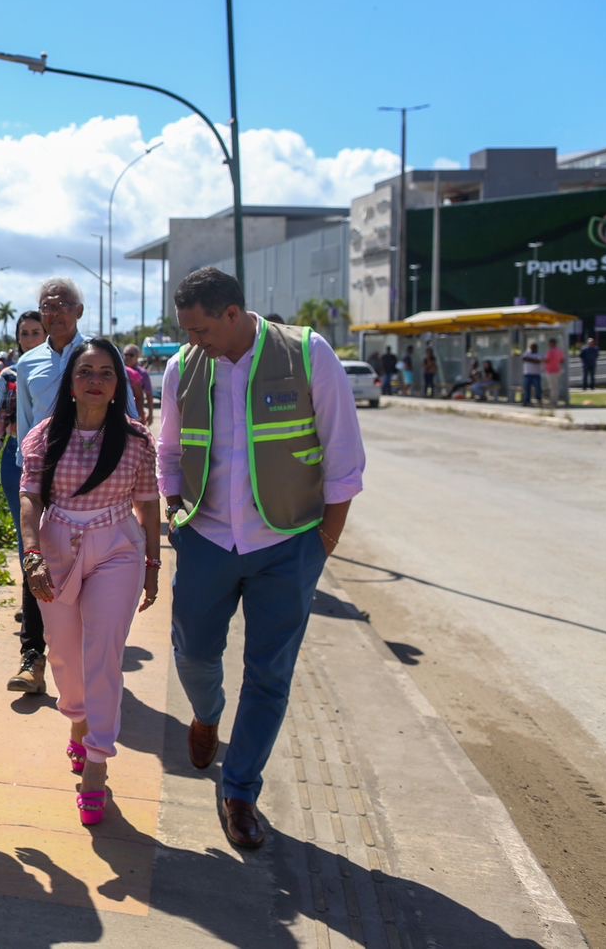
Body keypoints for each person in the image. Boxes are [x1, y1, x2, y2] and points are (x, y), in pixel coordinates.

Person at [157, 267, 365, 850]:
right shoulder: (183, 368)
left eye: (199, 328)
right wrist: (176, 515)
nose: (191, 339)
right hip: (206, 538)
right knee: (194, 653)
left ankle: (240, 790)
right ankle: (206, 713)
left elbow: (344, 455)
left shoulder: (307, 353)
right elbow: (169, 451)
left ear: (232, 314)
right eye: (186, 329)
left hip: (288, 545)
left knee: (270, 674)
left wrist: (324, 544)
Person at [18, 338, 160, 827]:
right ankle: (77, 718)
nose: (95, 380)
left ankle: (97, 761)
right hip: (57, 547)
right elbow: (31, 499)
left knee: (103, 652)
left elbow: (149, 503)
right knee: (63, 654)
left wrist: (152, 565)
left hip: (117, 547)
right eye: (85, 373)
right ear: (71, 385)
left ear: (118, 383)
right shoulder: (43, 436)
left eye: (105, 372)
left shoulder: (137, 439)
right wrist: (32, 554)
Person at [7, 278, 139, 693]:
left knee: (94, 568)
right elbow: (27, 426)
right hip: (43, 482)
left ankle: (84, 654)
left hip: (99, 487)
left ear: (79, 311)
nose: (55, 311)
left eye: (65, 304)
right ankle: (33, 657)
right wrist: (28, 486)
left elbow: (128, 415)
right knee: (36, 560)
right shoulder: (27, 365)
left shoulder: (99, 355)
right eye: (47, 305)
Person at [0, 311, 47, 663]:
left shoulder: (61, 371)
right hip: (14, 458)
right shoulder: (8, 376)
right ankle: (34, 605)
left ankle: (46, 606)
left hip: (54, 462)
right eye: (24, 333)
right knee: (26, 535)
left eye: (35, 332)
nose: (29, 338)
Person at [123, 343, 155, 424]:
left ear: (137, 357)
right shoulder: (119, 371)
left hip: (137, 413)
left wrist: (151, 414)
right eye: (126, 354)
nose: (127, 357)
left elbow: (149, 394)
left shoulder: (142, 373)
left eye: (131, 355)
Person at [544, 338, 567, 407]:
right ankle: (555, 401)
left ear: (552, 343)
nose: (549, 345)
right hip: (557, 370)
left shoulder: (550, 351)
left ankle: (553, 401)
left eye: (550, 343)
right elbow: (562, 360)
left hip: (550, 371)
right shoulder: (559, 351)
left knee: (552, 387)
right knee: (555, 387)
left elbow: (547, 360)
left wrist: (543, 361)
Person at [521, 342, 544, 406]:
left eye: (534, 347)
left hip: (536, 374)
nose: (532, 348)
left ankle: (539, 400)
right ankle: (526, 401)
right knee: (527, 388)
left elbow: (537, 361)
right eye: (531, 347)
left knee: (538, 388)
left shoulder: (539, 354)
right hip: (527, 374)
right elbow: (523, 358)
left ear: (536, 348)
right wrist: (532, 360)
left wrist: (529, 359)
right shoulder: (527, 353)